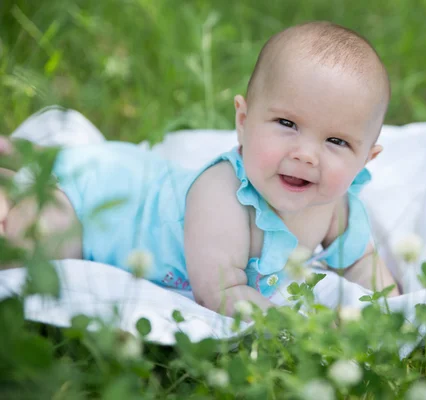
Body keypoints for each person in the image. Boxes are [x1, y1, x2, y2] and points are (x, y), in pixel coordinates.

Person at [0, 21, 399, 316]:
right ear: (243, 121)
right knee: (38, 244)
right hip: (95, 203)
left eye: (336, 142)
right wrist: (294, 331)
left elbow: (362, 262)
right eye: (287, 124)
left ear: (366, 159)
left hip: (133, 174)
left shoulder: (335, 207)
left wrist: (393, 310)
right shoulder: (222, 194)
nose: (307, 154)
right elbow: (221, 291)